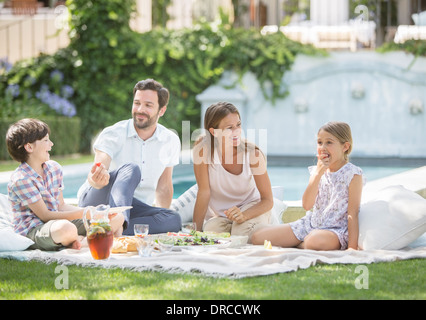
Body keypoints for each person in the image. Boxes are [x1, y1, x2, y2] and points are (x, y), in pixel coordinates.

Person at [77, 79, 182, 235]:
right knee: (131, 169)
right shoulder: (113, 133)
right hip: (98, 200)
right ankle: (116, 225)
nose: (140, 109)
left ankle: (107, 229)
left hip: (135, 208)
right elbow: (97, 172)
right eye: (137, 103)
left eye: (148, 105)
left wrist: (160, 213)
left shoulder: (170, 140)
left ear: (161, 110)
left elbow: (164, 186)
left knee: (173, 219)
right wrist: (98, 177)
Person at [6, 118, 124, 251]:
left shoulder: (54, 168)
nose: (51, 144)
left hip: (58, 222)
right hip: (34, 229)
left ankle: (80, 242)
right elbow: (45, 215)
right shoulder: (21, 180)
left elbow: (61, 205)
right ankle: (81, 240)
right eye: (46, 140)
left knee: (117, 218)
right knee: (66, 229)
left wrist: (95, 213)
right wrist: (85, 212)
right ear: (29, 147)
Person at [252, 121, 364, 250]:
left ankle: (298, 244)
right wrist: (317, 173)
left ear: (345, 147)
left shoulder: (353, 174)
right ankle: (301, 244)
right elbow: (306, 205)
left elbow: (353, 213)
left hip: (335, 231)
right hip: (310, 225)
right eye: (319, 142)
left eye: (329, 142)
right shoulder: (317, 171)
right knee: (258, 238)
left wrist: (352, 248)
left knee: (314, 241)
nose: (323, 147)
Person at [192, 102, 273, 242]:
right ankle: (240, 229)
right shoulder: (202, 149)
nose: (237, 131)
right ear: (213, 131)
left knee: (240, 232)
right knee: (210, 231)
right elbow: (203, 192)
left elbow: (268, 201)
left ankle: (266, 228)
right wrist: (194, 233)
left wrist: (244, 215)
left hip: (252, 208)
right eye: (230, 128)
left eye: (238, 125)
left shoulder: (253, 154)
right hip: (224, 215)